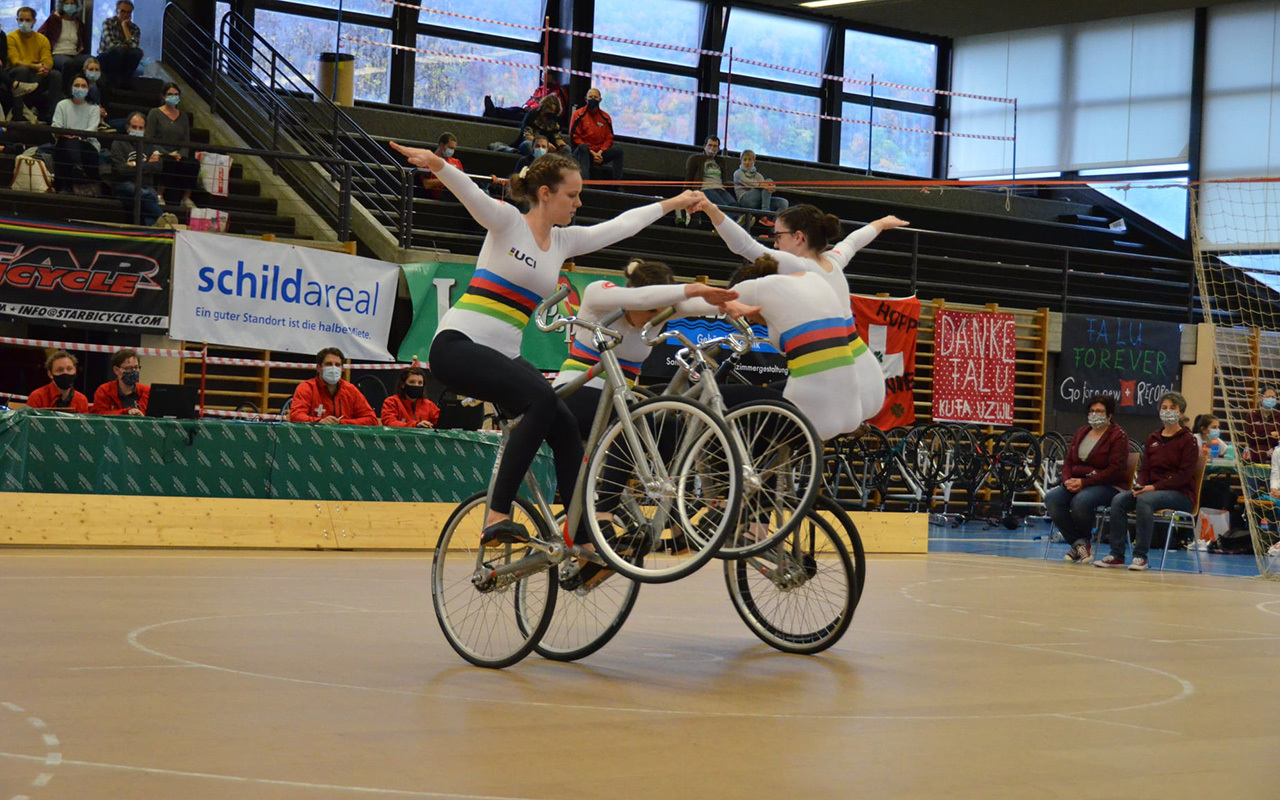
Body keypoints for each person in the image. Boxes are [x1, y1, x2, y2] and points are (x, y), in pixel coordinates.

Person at [389, 140, 703, 545]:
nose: (578, 203)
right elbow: (470, 193)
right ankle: (496, 516)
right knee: (541, 398)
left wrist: (673, 202)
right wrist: (439, 164)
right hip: (457, 344)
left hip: (503, 354)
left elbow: (621, 226)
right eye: (572, 195)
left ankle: (582, 537)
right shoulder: (507, 223)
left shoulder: (563, 243)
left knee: (565, 423)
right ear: (545, 194)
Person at [554, 259, 737, 439]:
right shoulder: (598, 295)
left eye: (662, 312)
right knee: (639, 422)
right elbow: (641, 298)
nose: (655, 319)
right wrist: (694, 288)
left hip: (617, 401)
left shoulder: (662, 311)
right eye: (650, 311)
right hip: (573, 393)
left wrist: (742, 306)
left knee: (670, 429)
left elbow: (719, 305)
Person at [715, 254, 883, 441]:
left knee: (717, 395)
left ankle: (736, 468)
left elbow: (744, 247)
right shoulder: (814, 285)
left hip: (822, 409)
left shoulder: (767, 293)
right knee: (770, 393)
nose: (746, 318)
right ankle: (768, 464)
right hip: (859, 397)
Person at [704, 202, 908, 334]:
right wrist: (881, 223)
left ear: (799, 237)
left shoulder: (800, 265)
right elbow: (853, 241)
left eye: (778, 237)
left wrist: (710, 209)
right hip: (851, 365)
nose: (775, 244)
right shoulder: (834, 260)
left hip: (832, 373)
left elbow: (745, 246)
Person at [1096, 391, 1199, 570]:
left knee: (1145, 500)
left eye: (1172, 408)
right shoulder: (1153, 438)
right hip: (1151, 489)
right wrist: (1140, 485)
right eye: (1164, 408)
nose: (1167, 411)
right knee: (1119, 500)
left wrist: (1153, 487)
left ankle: (1140, 556)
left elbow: (1183, 475)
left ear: (1181, 413)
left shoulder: (1188, 440)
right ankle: (1117, 554)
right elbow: (1145, 469)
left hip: (1180, 494)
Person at [1043, 395, 1130, 564]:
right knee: (1052, 499)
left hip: (1108, 485)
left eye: (1099, 411)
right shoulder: (1082, 432)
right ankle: (1079, 543)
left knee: (1081, 501)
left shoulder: (1118, 436)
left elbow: (1114, 470)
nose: (1094, 414)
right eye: (1091, 411)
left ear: (1109, 415)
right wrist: (1067, 480)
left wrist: (1085, 483)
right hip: (1078, 482)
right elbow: (1069, 461)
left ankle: (1082, 543)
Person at [288, 347, 377, 425]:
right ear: (319, 368)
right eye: (329, 364)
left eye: (337, 365)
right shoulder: (306, 388)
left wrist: (342, 423)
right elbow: (296, 416)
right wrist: (319, 421)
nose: (333, 368)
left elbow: (371, 419)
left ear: (342, 369)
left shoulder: (351, 390)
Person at [146, 81, 199, 209]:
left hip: (179, 153)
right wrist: (168, 153)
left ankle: (186, 198)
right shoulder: (155, 113)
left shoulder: (183, 117)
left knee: (193, 164)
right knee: (168, 162)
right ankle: (159, 194)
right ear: (164, 96)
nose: (173, 96)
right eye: (170, 94)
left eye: (176, 94)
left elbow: (186, 140)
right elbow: (149, 138)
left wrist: (181, 154)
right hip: (160, 152)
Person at [111, 111, 166, 225]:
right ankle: (164, 219)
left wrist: (133, 165)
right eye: (134, 127)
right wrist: (145, 163)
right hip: (125, 185)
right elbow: (121, 170)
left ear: (145, 130)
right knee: (145, 194)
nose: (137, 130)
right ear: (127, 128)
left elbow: (157, 166)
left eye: (141, 128)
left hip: (146, 184)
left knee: (149, 195)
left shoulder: (150, 145)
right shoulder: (118, 143)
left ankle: (153, 227)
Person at [50, 73, 100, 194]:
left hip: (87, 145)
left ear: (88, 89)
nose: (80, 88)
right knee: (65, 145)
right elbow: (55, 127)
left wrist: (76, 136)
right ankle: (67, 183)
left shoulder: (94, 108)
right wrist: (65, 135)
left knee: (71, 145)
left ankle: (72, 177)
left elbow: (91, 131)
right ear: (71, 87)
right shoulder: (62, 105)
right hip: (64, 142)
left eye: (83, 86)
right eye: (77, 85)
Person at [8, 7, 55, 123]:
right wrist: (36, 66)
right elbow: (15, 61)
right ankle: (17, 113)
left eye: (28, 20)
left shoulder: (42, 39)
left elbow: (48, 59)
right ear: (16, 20)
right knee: (22, 70)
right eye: (21, 20)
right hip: (15, 73)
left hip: (36, 73)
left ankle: (52, 116)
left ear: (34, 21)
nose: (24, 23)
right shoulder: (11, 37)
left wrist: (46, 68)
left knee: (55, 75)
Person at [569, 87, 623, 182]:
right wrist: (592, 153)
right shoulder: (578, 115)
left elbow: (609, 138)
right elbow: (575, 137)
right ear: (586, 99)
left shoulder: (606, 117)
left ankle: (617, 184)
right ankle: (585, 184)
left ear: (600, 100)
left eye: (595, 97)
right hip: (583, 152)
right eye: (590, 97)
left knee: (618, 150)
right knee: (584, 148)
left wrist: (600, 152)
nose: (593, 99)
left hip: (599, 153)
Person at [38, 0, 89, 97]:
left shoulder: (78, 23)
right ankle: (67, 92)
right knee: (68, 63)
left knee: (90, 60)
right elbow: (40, 35)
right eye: (67, 3)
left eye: (72, 3)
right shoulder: (53, 20)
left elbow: (83, 43)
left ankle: (88, 91)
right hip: (57, 53)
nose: (70, 6)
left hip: (74, 53)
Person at [681, 136, 736, 221]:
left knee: (733, 203)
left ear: (718, 149)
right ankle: (733, 223)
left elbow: (724, 180)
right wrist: (685, 195)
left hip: (720, 189)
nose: (712, 148)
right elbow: (689, 178)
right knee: (722, 205)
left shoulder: (721, 161)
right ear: (704, 147)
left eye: (715, 146)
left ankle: (739, 221)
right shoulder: (695, 159)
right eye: (710, 145)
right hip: (705, 189)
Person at [733, 150, 788, 227]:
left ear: (754, 161)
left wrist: (771, 188)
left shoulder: (759, 176)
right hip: (745, 200)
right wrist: (766, 185)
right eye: (745, 160)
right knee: (768, 181)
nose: (747, 162)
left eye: (749, 159)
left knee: (783, 202)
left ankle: (774, 229)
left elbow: (765, 190)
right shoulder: (738, 173)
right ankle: (765, 214)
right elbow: (750, 184)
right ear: (741, 161)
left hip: (759, 202)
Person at [97, 0, 142, 90]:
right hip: (106, 58)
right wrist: (126, 47)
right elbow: (111, 45)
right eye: (123, 11)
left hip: (123, 60)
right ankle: (112, 83)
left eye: (129, 12)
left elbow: (133, 46)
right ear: (117, 11)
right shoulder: (108, 22)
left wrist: (124, 26)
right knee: (119, 51)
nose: (125, 15)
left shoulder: (135, 28)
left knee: (137, 53)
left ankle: (125, 83)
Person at [90, 347, 149, 415]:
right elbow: (99, 415)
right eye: (128, 368)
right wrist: (126, 412)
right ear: (116, 370)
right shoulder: (104, 391)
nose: (133, 371)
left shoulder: (147, 391)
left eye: (136, 367)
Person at [416, 132, 462, 199]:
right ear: (442, 145)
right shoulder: (427, 160)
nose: (452, 151)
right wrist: (448, 178)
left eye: (454, 149)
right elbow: (426, 184)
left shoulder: (456, 162)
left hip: (458, 191)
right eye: (450, 148)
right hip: (442, 192)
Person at [1241, 387, 1280, 463]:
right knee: (1248, 453)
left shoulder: (1279, 416)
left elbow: (1277, 440)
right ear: (1260, 398)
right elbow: (1251, 438)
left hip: (1275, 451)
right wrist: (1270, 434)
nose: (1270, 399)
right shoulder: (1252, 415)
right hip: (1256, 451)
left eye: (1273, 397)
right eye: (1268, 396)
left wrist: (1259, 434)